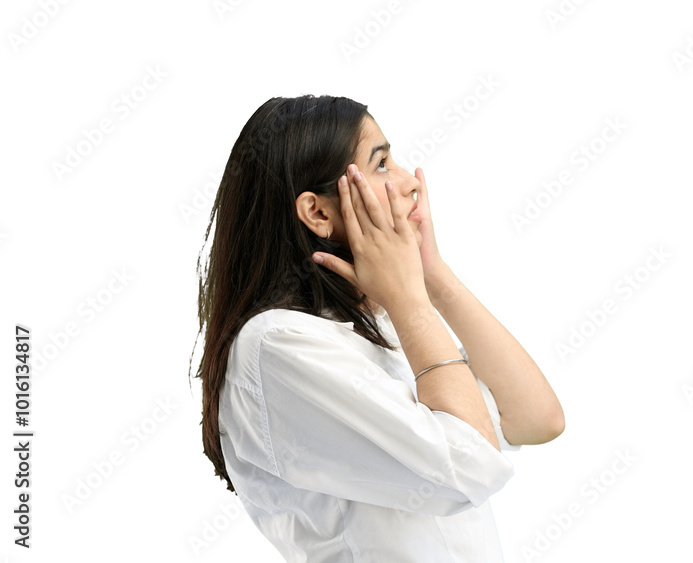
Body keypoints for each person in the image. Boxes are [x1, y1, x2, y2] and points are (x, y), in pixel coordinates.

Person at [190, 95, 564, 562]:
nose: (411, 182)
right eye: (382, 163)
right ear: (318, 213)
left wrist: (432, 276)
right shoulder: (279, 345)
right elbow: (474, 466)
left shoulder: (384, 325)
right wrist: (409, 301)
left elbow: (536, 419)